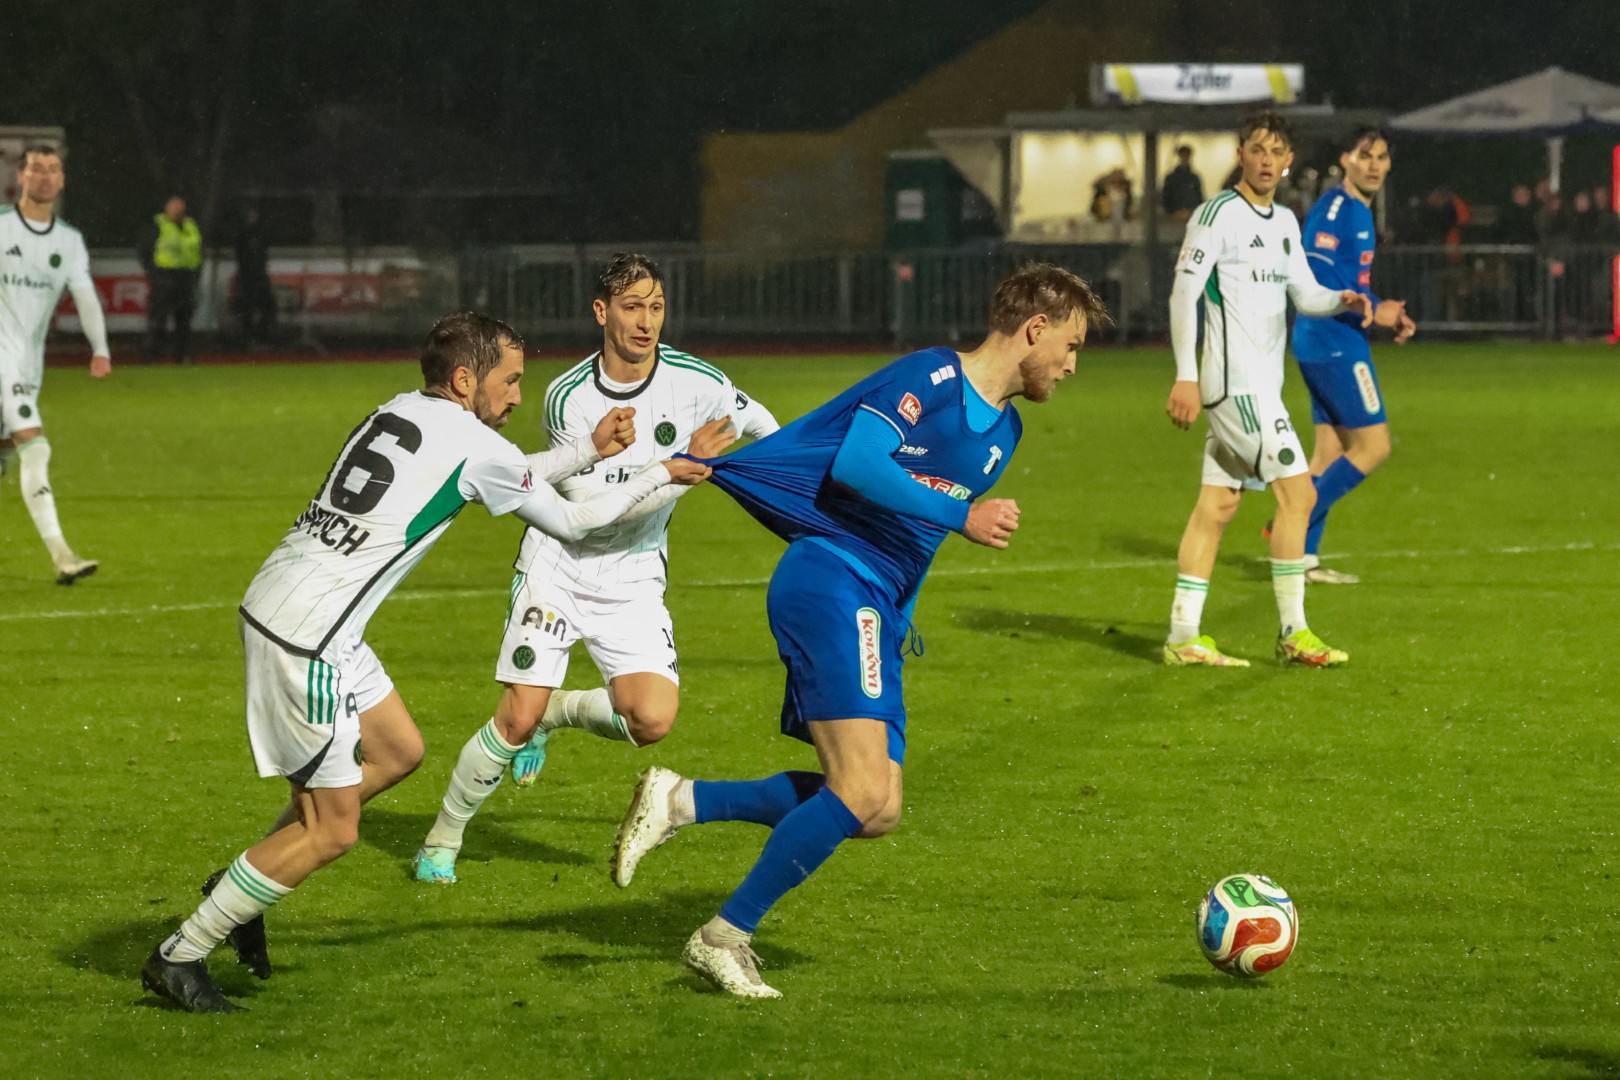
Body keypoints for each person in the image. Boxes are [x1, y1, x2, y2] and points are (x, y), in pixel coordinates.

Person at [139, 312, 712, 1013]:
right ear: (466, 379)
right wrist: (660, 472)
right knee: (333, 830)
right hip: (308, 635)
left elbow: (507, 469)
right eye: (509, 381)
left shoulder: (401, 410)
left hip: (303, 609)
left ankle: (245, 888)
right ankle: (181, 952)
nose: (516, 396)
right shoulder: (474, 444)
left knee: (398, 751)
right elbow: (571, 522)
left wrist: (586, 450)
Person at [606, 263, 1109, 999]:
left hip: (876, 603)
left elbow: (913, 535)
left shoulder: (1006, 430)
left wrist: (902, 608)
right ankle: (722, 937)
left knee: (877, 808)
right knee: (862, 785)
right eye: (1070, 345)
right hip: (831, 580)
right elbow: (857, 463)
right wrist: (963, 515)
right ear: (1035, 329)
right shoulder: (931, 377)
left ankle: (684, 801)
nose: (1071, 365)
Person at [412, 254, 778, 884]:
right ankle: (441, 841)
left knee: (652, 719)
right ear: (602, 312)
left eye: (656, 307)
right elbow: (583, 513)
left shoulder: (698, 382)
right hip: (559, 564)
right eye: (632, 307)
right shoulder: (570, 396)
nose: (647, 322)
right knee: (515, 717)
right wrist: (677, 469)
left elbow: (765, 428)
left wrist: (791, 481)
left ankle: (557, 713)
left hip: (634, 574)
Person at [1161, 111, 1373, 669]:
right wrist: (1185, 374)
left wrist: (1341, 300)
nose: (1266, 160)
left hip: (1261, 388)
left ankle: (1183, 636)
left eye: (1276, 151)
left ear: (1288, 161)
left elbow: (1304, 291)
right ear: (1240, 154)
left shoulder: (1283, 221)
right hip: (1236, 387)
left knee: (1218, 505)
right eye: (1256, 149)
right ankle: (1293, 631)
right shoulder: (1216, 215)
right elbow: (1183, 295)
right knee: (1299, 497)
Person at [1287, 127, 1417, 585]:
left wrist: (1381, 310)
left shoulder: (1355, 209)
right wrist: (1370, 308)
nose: (1374, 165)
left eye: (1381, 157)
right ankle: (1291, 520)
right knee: (1374, 446)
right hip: (1333, 341)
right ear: (1346, 160)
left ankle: (1302, 560)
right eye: (1365, 156)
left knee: (1329, 454)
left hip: (1325, 337)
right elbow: (1318, 275)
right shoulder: (1338, 209)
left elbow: (1349, 284)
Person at [0, 144, 110, 584]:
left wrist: (100, 347)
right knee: (36, 444)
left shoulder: (69, 241)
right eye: (35, 168)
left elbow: (85, 296)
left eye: (52, 169)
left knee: (8, 451)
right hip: (2, 359)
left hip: (28, 364)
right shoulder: (2, 227)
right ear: (21, 177)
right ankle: (62, 556)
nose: (43, 176)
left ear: (61, 180)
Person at [138, 195, 202, 364]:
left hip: (185, 279)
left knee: (184, 321)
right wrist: (155, 275)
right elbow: (145, 252)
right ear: (166, 210)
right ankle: (151, 355)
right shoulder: (157, 227)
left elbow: (197, 252)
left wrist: (195, 275)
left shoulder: (191, 227)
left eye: (180, 209)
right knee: (158, 320)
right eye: (174, 209)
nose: (177, 212)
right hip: (164, 278)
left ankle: (182, 355)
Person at [233, 206, 276, 345]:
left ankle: (262, 335)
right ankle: (248, 337)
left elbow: (263, 256)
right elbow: (241, 256)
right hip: (248, 277)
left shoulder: (261, 234)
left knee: (266, 307)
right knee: (248, 308)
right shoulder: (243, 235)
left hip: (259, 276)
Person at [1162, 144, 1205, 224]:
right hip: (1174, 219)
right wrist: (1174, 213)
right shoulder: (1171, 178)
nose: (1185, 158)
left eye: (1186, 156)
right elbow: (1166, 199)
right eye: (1183, 156)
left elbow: (1199, 198)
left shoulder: (1194, 178)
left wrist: (1192, 212)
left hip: (1191, 217)